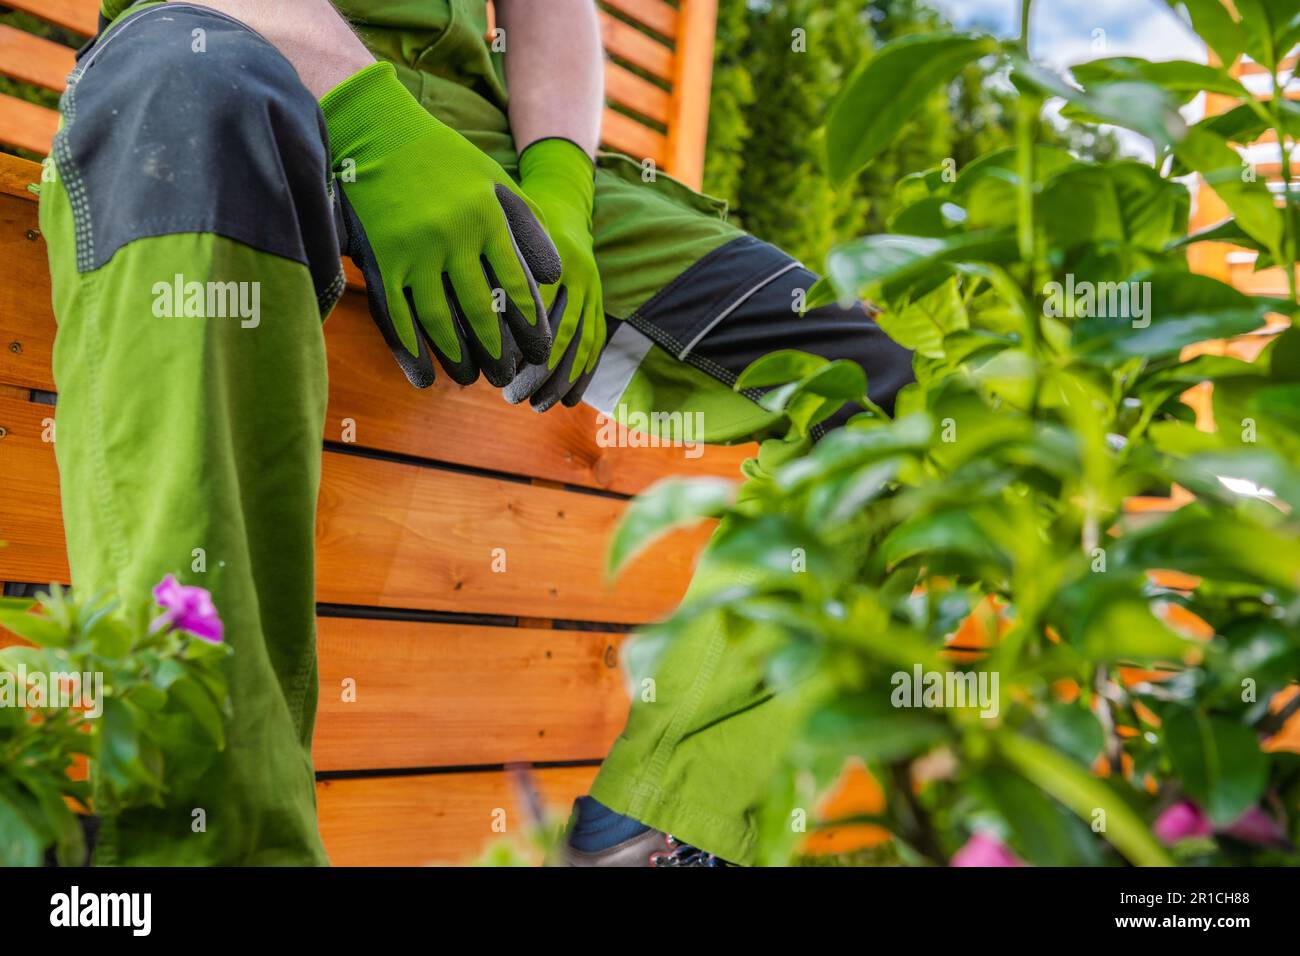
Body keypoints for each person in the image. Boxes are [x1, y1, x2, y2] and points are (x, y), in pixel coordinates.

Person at [40, 0, 912, 866]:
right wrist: (370, 122)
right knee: (183, 89)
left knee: (887, 392)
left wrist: (562, 194)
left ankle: (661, 833)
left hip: (477, 148)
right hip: (230, 71)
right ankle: (214, 848)